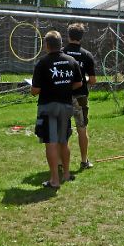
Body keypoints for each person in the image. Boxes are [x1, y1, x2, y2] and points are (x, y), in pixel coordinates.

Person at [31, 31, 82, 189]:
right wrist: (64, 87)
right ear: (61, 44)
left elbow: (35, 90)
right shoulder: (71, 60)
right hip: (66, 106)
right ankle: (66, 174)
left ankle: (54, 180)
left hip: (48, 107)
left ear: (46, 45)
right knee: (63, 141)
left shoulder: (43, 63)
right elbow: (79, 83)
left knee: (51, 143)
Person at [63, 23, 97, 170]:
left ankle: (60, 163)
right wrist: (84, 81)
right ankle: (84, 161)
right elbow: (93, 80)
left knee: (62, 129)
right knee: (82, 129)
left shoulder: (61, 53)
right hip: (81, 96)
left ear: (68, 36)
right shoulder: (87, 55)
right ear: (81, 37)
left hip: (63, 96)